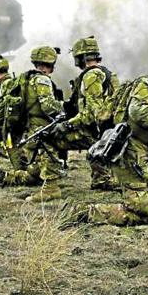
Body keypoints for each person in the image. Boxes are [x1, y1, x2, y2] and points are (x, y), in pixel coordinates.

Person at [61, 58, 148, 226]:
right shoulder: (147, 85)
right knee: (140, 213)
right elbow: (138, 111)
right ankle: (81, 212)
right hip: (128, 148)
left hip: (142, 149)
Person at [0, 46, 65, 202]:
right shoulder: (42, 79)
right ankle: (50, 189)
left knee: (35, 171)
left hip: (30, 129)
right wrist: (65, 107)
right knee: (45, 163)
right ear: (50, 62)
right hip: (41, 127)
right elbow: (47, 106)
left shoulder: (26, 78)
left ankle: (1, 176)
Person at [53, 36, 119, 190]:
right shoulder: (109, 74)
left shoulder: (90, 76)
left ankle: (51, 180)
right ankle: (102, 177)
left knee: (50, 137)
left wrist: (68, 124)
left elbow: (92, 114)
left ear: (81, 57)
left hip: (97, 131)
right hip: (110, 130)